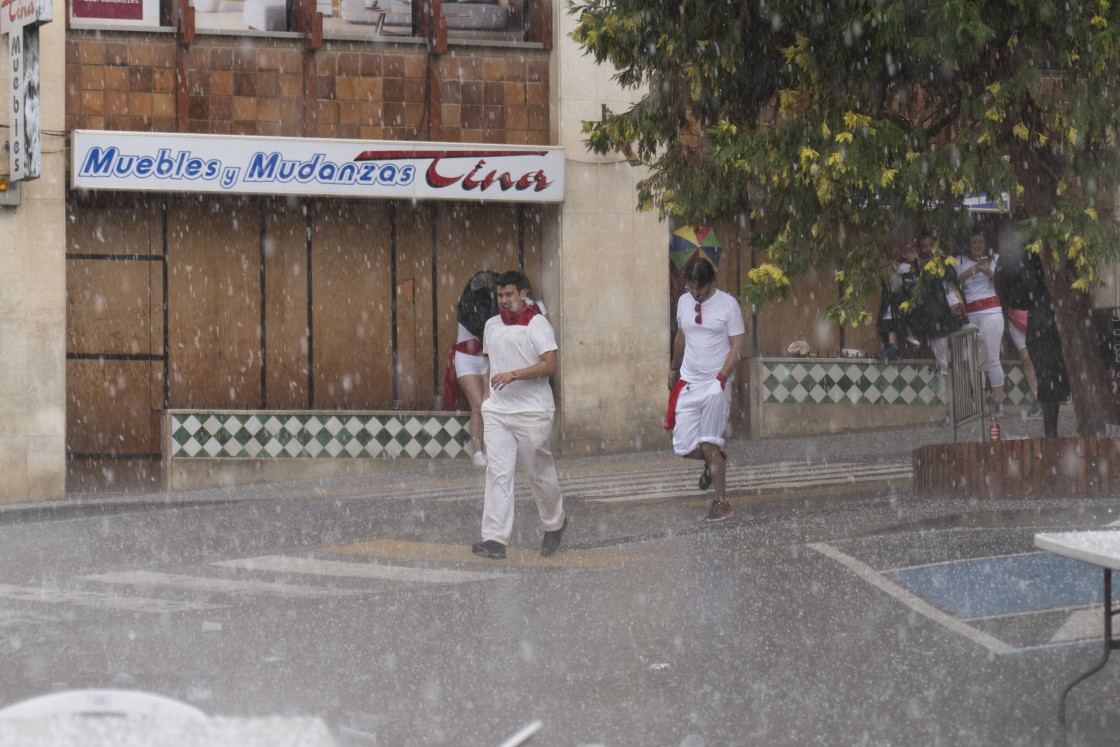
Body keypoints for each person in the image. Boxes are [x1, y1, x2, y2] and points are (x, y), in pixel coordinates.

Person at [471, 271, 566, 560]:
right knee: (498, 472)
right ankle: (495, 539)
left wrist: (515, 375)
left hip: (533, 411)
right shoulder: (491, 325)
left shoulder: (537, 324)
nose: (504, 300)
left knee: (538, 473)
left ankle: (555, 523)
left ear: (523, 294)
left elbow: (550, 364)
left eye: (509, 294)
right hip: (498, 411)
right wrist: (487, 399)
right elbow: (493, 363)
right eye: (500, 295)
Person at [666, 259, 746, 522]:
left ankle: (722, 503)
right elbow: (681, 336)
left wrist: (721, 377)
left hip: (716, 384)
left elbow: (737, 345)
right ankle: (715, 460)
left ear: (711, 283)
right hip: (689, 381)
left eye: (698, 290)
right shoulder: (684, 302)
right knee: (682, 446)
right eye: (690, 289)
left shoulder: (728, 305)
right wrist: (674, 368)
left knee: (708, 444)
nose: (694, 294)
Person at [907, 230, 967, 423]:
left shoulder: (943, 267)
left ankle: (954, 412)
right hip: (933, 326)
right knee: (947, 368)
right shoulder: (919, 270)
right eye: (924, 247)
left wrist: (959, 319)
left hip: (946, 324)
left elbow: (952, 292)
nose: (927, 250)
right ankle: (954, 411)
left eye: (930, 246)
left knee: (950, 368)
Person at [443, 271, 500, 467]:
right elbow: (479, 332)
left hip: (486, 359)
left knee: (488, 405)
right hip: (466, 359)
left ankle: (488, 451)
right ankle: (477, 453)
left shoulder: (493, 310)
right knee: (477, 405)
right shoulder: (468, 309)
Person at [955, 226, 1007, 418]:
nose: (977, 246)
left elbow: (1005, 282)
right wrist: (972, 270)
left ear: (986, 244)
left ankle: (999, 403)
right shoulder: (960, 260)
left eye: (980, 242)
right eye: (973, 242)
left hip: (991, 311)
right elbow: (955, 283)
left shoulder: (996, 259)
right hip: (969, 313)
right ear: (968, 244)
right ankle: (981, 404)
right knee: (973, 361)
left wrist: (990, 273)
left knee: (992, 359)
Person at [875, 240, 920, 361]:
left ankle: (901, 349)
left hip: (914, 304)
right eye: (910, 252)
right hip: (901, 303)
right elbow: (894, 287)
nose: (914, 254)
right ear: (904, 254)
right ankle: (893, 348)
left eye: (915, 251)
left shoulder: (920, 268)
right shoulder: (901, 268)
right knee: (891, 319)